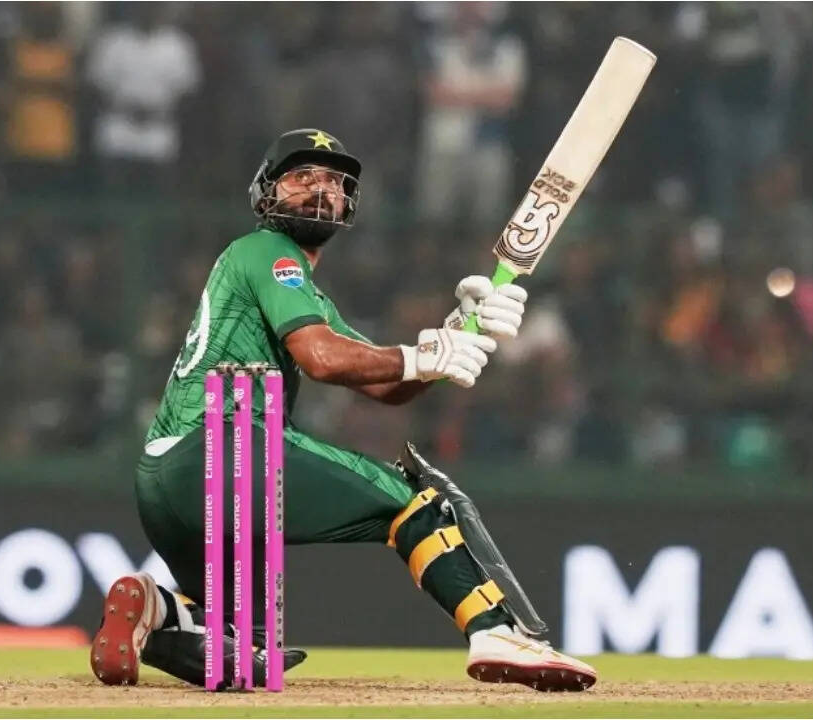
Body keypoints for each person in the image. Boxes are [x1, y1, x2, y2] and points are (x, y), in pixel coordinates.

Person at [89, 129, 597, 692]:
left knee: (245, 651)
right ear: (265, 191)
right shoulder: (268, 251)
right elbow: (324, 358)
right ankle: (496, 631)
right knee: (414, 501)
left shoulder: (296, 289)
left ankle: (154, 608)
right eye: (302, 176)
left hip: (164, 480)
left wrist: (458, 332)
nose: (321, 189)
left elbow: (386, 387)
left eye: (334, 181)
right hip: (223, 447)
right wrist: (424, 354)